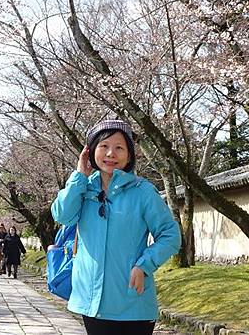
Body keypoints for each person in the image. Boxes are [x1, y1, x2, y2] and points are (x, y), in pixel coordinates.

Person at [52, 119, 181, 335]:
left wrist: (144, 265)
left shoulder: (143, 192)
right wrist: (78, 177)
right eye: (104, 146)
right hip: (92, 301)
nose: (111, 153)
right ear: (91, 151)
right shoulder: (83, 189)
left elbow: (170, 235)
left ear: (129, 155)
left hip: (133, 302)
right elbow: (63, 216)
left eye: (119, 148)